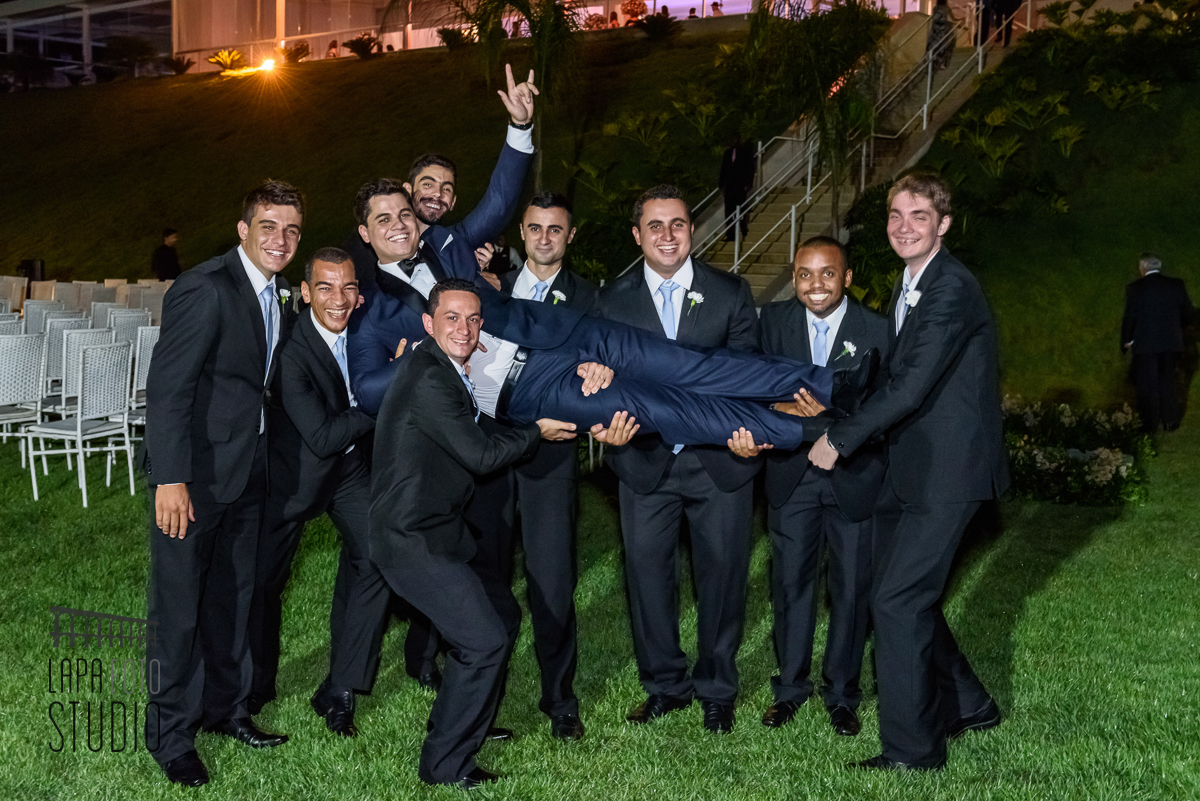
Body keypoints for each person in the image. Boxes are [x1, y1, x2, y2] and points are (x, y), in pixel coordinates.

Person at [809, 171, 1009, 771]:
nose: (903, 227)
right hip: (913, 468)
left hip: (950, 473)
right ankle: (969, 704)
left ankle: (913, 751)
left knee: (896, 602)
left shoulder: (950, 288)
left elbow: (912, 385)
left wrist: (838, 439)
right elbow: (894, 379)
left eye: (918, 216)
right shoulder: (911, 282)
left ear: (943, 225)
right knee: (898, 591)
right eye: (896, 215)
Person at [367, 279, 578, 788]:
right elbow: (481, 456)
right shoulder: (431, 379)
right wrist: (537, 433)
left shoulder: (444, 369)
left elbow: (478, 432)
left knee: (502, 615)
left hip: (439, 531)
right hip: (409, 539)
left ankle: (458, 724)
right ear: (429, 323)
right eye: (452, 318)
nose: (464, 328)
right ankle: (444, 766)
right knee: (482, 640)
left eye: (473, 319)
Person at [141, 180, 301, 787]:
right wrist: (171, 478)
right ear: (243, 230)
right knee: (177, 611)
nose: (279, 239)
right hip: (195, 480)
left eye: (290, 229)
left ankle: (226, 711)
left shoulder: (278, 293)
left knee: (233, 599)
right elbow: (168, 390)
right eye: (268, 226)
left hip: (249, 472)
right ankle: (169, 735)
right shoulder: (204, 288)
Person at [596, 183, 762, 735]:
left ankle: (718, 688)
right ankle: (665, 685)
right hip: (643, 463)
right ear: (637, 234)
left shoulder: (731, 293)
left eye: (678, 224)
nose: (668, 235)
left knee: (722, 576)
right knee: (647, 577)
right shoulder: (612, 300)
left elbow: (747, 378)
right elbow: (600, 380)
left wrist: (746, 430)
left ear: (692, 229)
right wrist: (605, 426)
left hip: (720, 464)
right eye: (655, 226)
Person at [733, 237, 890, 737]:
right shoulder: (770, 323)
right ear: (794, 276)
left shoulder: (880, 330)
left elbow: (889, 407)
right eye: (804, 274)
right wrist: (779, 409)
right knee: (790, 584)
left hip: (855, 477)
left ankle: (843, 695)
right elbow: (749, 389)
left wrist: (833, 419)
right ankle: (790, 689)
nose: (815, 284)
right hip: (791, 474)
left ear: (847, 277)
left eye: (827, 274)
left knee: (850, 589)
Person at [246, 247, 391, 738]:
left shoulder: (368, 333)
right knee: (263, 585)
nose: (339, 298)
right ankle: (253, 686)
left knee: (376, 556)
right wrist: (381, 396)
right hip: (292, 480)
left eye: (349, 286)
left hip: (349, 472)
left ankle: (341, 688)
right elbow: (325, 435)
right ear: (305, 292)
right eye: (326, 287)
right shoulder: (290, 352)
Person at [494, 192, 597, 740]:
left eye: (555, 229)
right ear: (522, 233)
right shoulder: (492, 292)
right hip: (488, 456)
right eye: (535, 228)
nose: (544, 237)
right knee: (487, 577)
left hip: (551, 458)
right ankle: (481, 694)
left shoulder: (590, 299)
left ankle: (560, 699)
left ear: (569, 236)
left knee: (551, 582)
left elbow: (605, 366)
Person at [1121, 253, 1193, 433]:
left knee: (1147, 384)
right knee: (1168, 380)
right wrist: (1177, 329)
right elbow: (1188, 313)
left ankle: (1149, 422)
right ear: (1158, 267)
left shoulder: (1135, 288)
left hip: (1145, 344)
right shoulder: (1176, 285)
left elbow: (1130, 317)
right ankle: (1170, 420)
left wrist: (1126, 339)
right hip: (1171, 343)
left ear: (1142, 268)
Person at [719, 135, 756, 241]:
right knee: (729, 210)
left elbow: (750, 169)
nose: (733, 141)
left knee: (741, 208)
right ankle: (730, 234)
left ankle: (743, 228)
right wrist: (721, 184)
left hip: (740, 186)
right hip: (729, 187)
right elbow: (724, 169)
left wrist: (748, 183)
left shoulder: (746, 152)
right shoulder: (727, 153)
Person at [926, 0, 954, 71]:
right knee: (942, 47)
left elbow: (934, 19)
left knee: (935, 46)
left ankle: (932, 63)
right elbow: (953, 17)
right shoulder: (946, 8)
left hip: (936, 30)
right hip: (942, 30)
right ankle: (940, 63)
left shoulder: (935, 8)